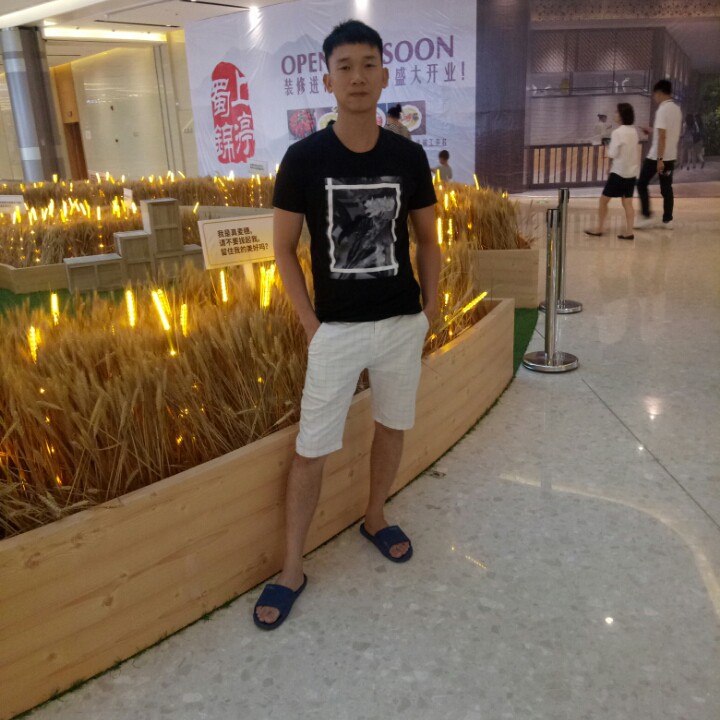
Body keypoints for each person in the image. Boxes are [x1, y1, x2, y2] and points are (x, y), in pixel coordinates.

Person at [253, 19, 440, 630]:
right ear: (328, 80)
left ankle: (375, 516)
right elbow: (283, 249)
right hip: (335, 330)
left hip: (401, 321)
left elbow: (427, 239)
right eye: (345, 67)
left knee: (392, 425)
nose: (357, 77)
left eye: (368, 65)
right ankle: (292, 567)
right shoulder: (304, 158)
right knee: (311, 449)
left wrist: (431, 309)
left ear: (384, 75)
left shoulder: (407, 155)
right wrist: (311, 323)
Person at [584, 103, 639, 240]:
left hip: (618, 173)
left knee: (603, 201)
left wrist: (608, 148)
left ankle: (600, 228)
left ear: (621, 116)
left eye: (616, 112)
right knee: (627, 203)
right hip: (631, 173)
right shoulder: (633, 131)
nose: (614, 114)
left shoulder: (617, 133)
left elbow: (613, 153)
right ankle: (629, 231)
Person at [635, 80, 682, 230]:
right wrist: (651, 130)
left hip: (656, 157)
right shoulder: (676, 109)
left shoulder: (662, 109)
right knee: (666, 187)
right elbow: (665, 132)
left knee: (641, 183)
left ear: (660, 93)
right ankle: (668, 220)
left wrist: (659, 159)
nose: (654, 97)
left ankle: (647, 216)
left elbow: (662, 136)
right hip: (670, 156)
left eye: (655, 94)